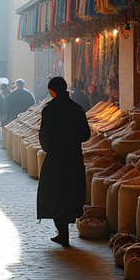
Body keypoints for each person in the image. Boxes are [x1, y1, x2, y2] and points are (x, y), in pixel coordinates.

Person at [36, 76, 90, 247]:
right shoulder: (77, 109)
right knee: (70, 192)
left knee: (53, 193)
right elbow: (86, 135)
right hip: (73, 157)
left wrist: (50, 149)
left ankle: (62, 232)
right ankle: (65, 231)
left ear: (52, 91)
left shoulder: (49, 110)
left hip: (55, 158)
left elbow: (44, 136)